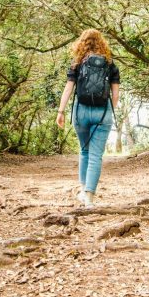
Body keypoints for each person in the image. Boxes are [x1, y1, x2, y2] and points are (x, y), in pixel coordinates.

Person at [56, 29, 120, 207]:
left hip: (81, 112)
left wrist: (60, 112)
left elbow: (68, 89)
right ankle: (89, 197)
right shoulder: (110, 64)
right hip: (102, 112)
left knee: (84, 151)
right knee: (95, 156)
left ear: (82, 43)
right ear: (102, 43)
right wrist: (108, 111)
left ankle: (83, 190)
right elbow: (115, 94)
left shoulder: (77, 63)